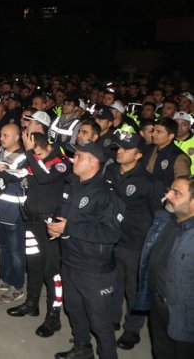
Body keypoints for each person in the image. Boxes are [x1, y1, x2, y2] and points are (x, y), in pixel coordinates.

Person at [49, 141, 125, 359]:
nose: (73, 159)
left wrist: (69, 228)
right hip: (71, 261)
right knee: (74, 310)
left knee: (100, 321)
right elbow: (64, 215)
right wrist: (57, 229)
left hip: (95, 270)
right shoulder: (72, 183)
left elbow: (111, 234)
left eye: (79, 156)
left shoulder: (106, 193)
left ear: (93, 162)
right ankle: (82, 348)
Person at [103, 131, 165, 351]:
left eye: (126, 149)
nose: (120, 152)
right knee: (112, 285)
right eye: (119, 148)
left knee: (134, 289)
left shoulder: (149, 183)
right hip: (110, 240)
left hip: (135, 244)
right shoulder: (109, 171)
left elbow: (160, 216)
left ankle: (132, 330)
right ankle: (112, 319)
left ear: (139, 155)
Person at [8, 132, 71, 339]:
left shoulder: (60, 162)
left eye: (36, 150)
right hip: (32, 222)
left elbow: (44, 178)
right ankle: (31, 304)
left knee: (52, 272)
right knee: (33, 264)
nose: (34, 155)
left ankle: (54, 317)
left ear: (46, 146)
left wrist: (29, 152)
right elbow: (22, 174)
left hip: (50, 225)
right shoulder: (36, 160)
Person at [133, 175, 194, 359]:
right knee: (160, 352)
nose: (168, 195)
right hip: (157, 304)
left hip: (184, 314)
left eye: (177, 193)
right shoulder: (164, 220)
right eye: (170, 190)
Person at [0, 124, 28, 304]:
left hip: (13, 212)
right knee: (2, 248)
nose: (1, 138)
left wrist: (6, 172)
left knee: (16, 252)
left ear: (17, 137)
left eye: (6, 135)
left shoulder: (25, 158)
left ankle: (17, 286)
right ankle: (4, 278)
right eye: (1, 134)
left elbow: (21, 177)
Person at [143, 117, 192, 188]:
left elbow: (182, 185)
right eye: (153, 131)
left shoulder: (179, 157)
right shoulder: (148, 149)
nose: (153, 134)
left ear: (171, 136)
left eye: (159, 132)